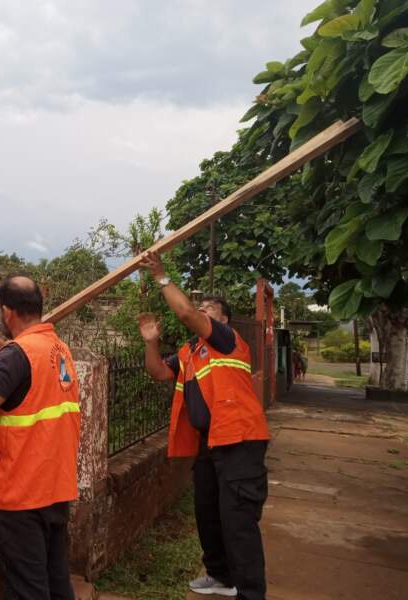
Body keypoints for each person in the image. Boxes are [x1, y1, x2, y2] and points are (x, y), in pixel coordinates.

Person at [137, 251, 269, 600]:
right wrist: (151, 341)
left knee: (238, 522)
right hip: (211, 443)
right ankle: (221, 576)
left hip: (240, 440)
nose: (202, 312)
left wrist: (162, 276)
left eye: (210, 310)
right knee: (208, 512)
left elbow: (185, 312)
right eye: (203, 308)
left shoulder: (227, 340)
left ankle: (251, 594)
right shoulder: (188, 353)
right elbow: (158, 373)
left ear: (223, 319)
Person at [0, 276, 80, 600]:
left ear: (7, 312)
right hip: (55, 486)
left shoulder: (18, 355)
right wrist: (5, 351)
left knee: (29, 590)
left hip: (21, 494)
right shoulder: (59, 349)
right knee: (56, 583)